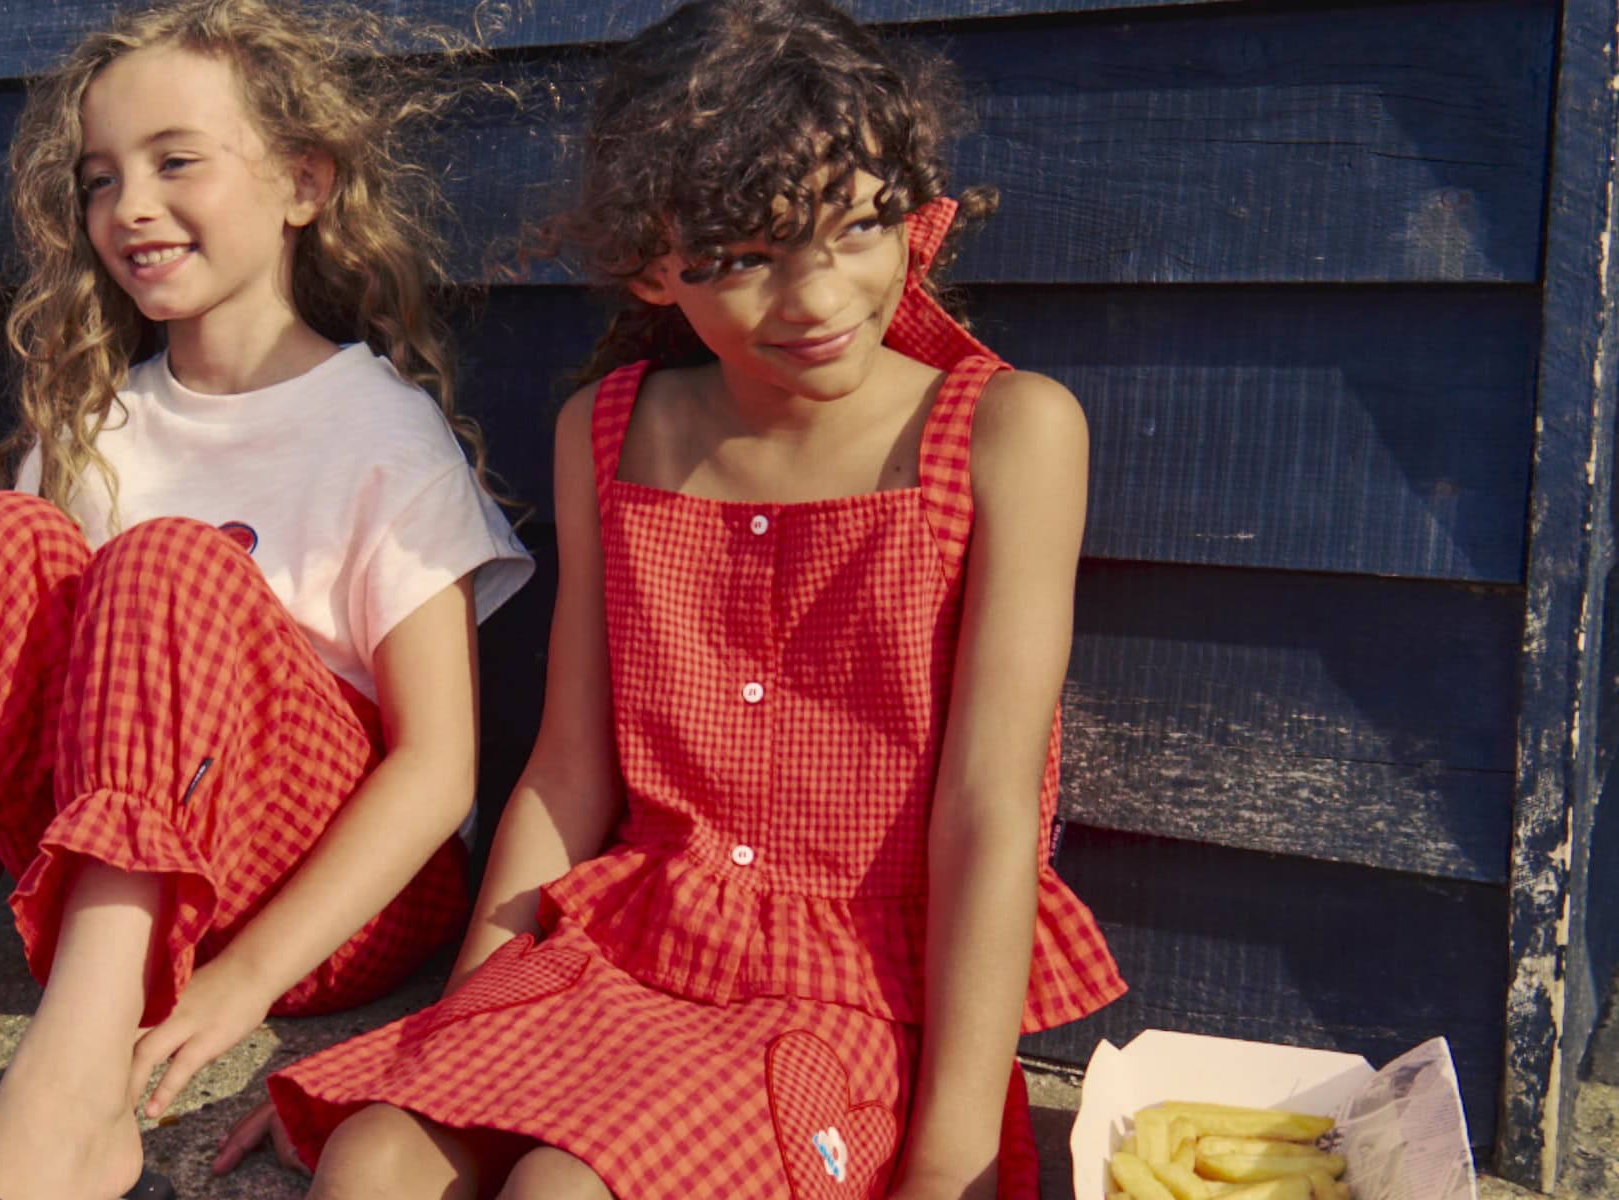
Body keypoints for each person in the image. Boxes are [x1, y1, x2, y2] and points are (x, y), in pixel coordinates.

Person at [243, 2, 1126, 1196]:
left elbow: (989, 809)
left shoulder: (1005, 432)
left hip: (843, 992)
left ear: (908, 210)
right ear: (656, 261)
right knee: (368, 1164)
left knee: (563, 1188)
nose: (817, 298)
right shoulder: (610, 431)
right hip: (624, 949)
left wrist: (954, 1158)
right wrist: (456, 1034)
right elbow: (565, 774)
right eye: (748, 257)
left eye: (857, 226)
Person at [0, 3, 529, 1198]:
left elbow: (438, 773)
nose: (129, 205)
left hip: (310, 903)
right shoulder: (97, 425)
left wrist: (241, 987)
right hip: (92, 874)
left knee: (167, 560)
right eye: (99, 178)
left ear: (302, 181)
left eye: (176, 161)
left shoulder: (381, 433)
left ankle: (71, 1100)